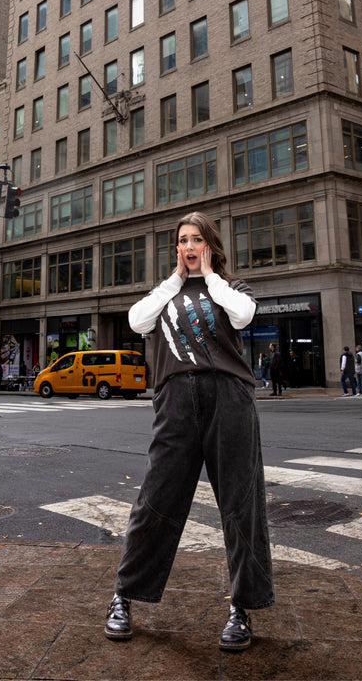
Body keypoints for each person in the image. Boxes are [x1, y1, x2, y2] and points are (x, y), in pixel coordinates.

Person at [104, 212, 274, 652]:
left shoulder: (231, 289)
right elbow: (136, 321)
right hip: (175, 400)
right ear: (176, 249)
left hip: (229, 400)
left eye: (197, 239)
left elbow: (243, 317)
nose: (189, 245)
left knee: (240, 503)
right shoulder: (165, 294)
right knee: (155, 500)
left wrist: (211, 275)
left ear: (211, 246)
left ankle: (243, 607)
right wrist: (174, 281)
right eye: (182, 240)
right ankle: (124, 597)